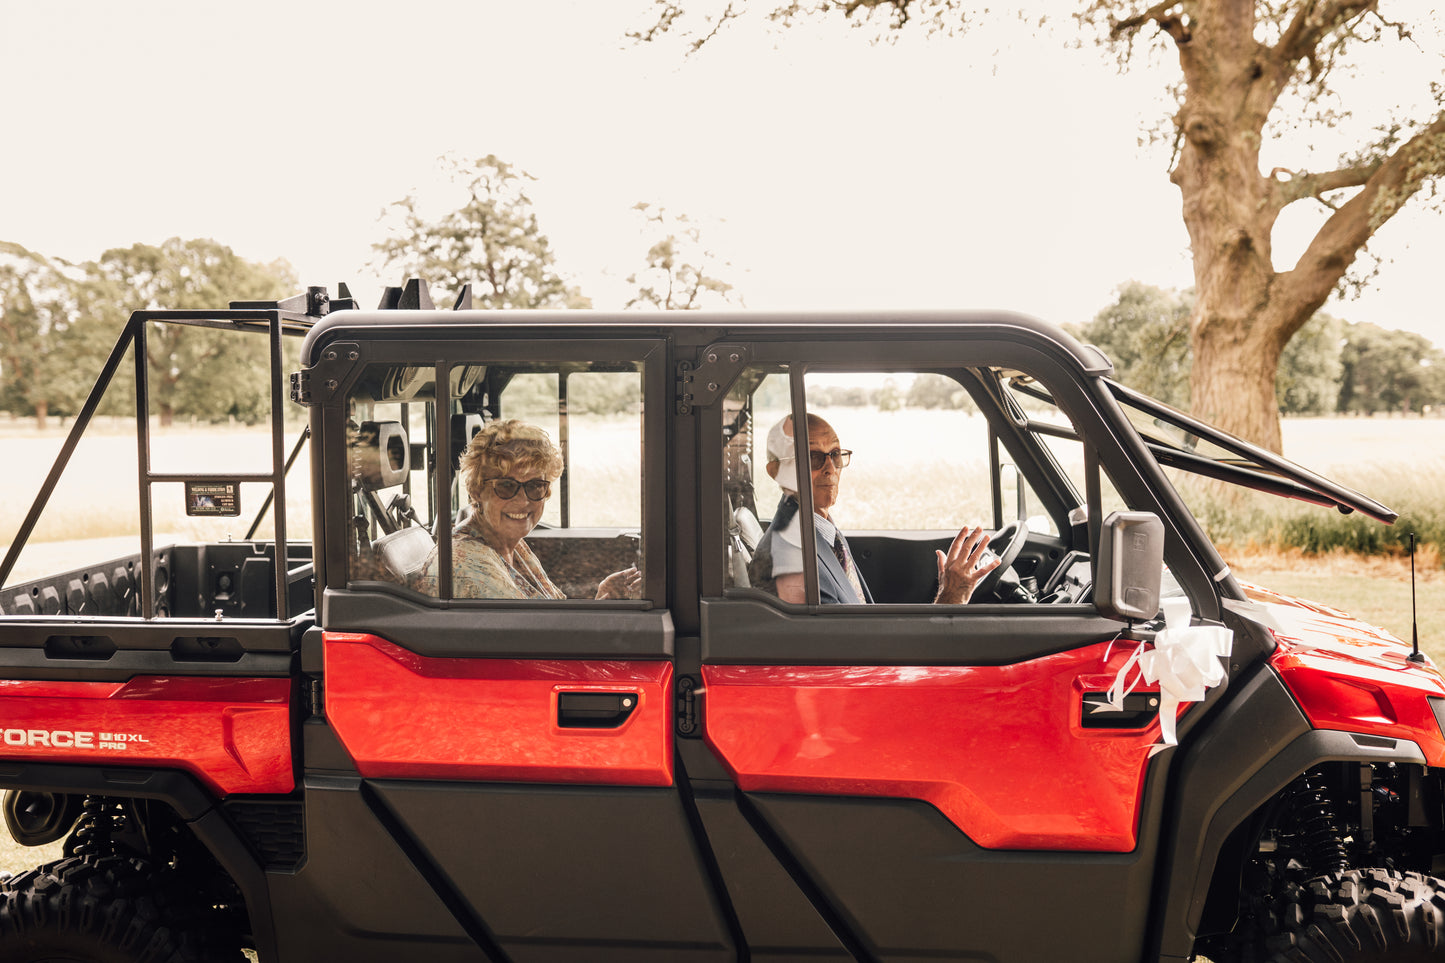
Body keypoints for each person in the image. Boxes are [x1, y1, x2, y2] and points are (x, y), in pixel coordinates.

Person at [749, 413, 1000, 605]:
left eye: (835, 455)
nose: (830, 468)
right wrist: (950, 599)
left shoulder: (820, 530)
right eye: (813, 457)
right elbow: (853, 651)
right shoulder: (790, 560)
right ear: (777, 472)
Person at [413, 420, 641, 600]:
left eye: (535, 486)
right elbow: (538, 639)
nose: (522, 501)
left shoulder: (510, 545)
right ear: (476, 490)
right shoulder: (465, 566)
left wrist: (601, 599)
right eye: (506, 486)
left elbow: (550, 628)